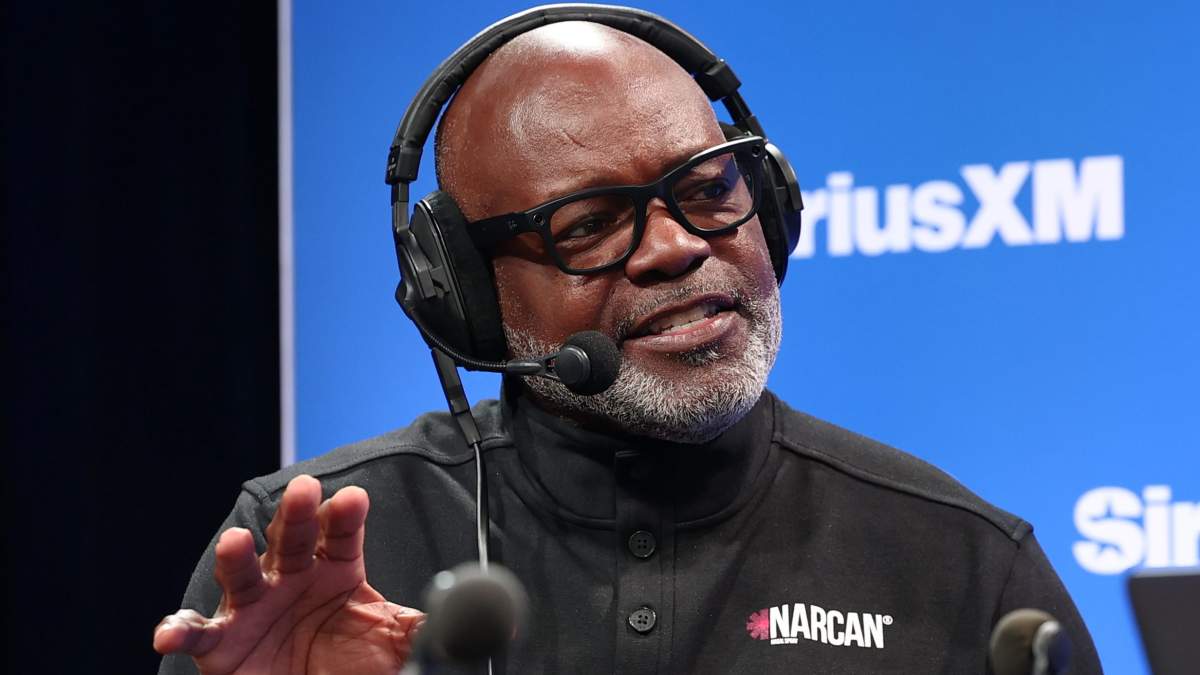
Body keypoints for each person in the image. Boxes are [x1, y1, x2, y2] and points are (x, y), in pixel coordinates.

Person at [155, 11, 1102, 675]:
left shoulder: (966, 564)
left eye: (710, 187)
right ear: (468, 292)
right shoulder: (313, 557)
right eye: (590, 224)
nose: (676, 246)